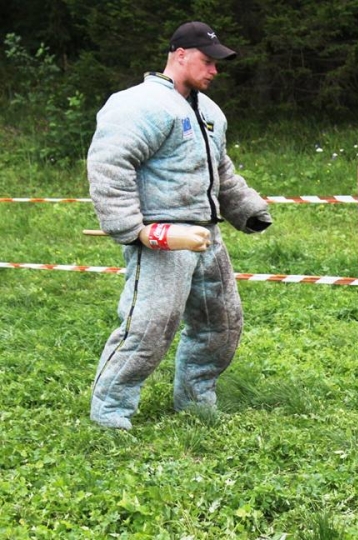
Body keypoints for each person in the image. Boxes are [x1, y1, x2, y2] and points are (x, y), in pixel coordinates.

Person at [86, 21, 272, 429]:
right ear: (180, 55)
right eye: (207, 61)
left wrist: (247, 209)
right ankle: (110, 415)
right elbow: (109, 165)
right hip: (163, 239)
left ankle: (195, 401)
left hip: (207, 236)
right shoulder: (138, 104)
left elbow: (220, 169)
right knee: (148, 329)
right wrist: (132, 229)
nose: (214, 71)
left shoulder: (209, 111)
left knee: (221, 325)